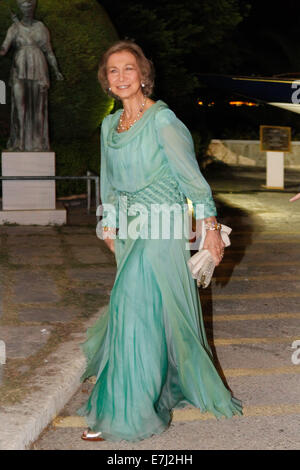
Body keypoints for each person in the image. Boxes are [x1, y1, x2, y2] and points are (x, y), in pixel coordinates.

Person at [77, 40, 243, 442]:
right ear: (106, 80)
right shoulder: (108, 126)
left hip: (164, 227)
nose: (121, 77)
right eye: (113, 71)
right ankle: (160, 387)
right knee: (144, 313)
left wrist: (209, 228)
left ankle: (127, 411)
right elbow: (110, 181)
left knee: (131, 309)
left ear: (143, 75)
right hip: (131, 230)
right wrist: (110, 225)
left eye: (128, 69)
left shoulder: (163, 120)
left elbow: (192, 180)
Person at [0, 0, 63, 151]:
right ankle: (20, 142)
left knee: (37, 108)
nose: (27, 8)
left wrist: (56, 70)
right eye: (23, 5)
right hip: (20, 67)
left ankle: (37, 144)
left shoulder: (41, 27)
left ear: (33, 7)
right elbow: (3, 48)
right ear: (20, 8)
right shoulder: (14, 28)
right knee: (20, 106)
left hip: (39, 68)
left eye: (29, 5)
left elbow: (48, 51)